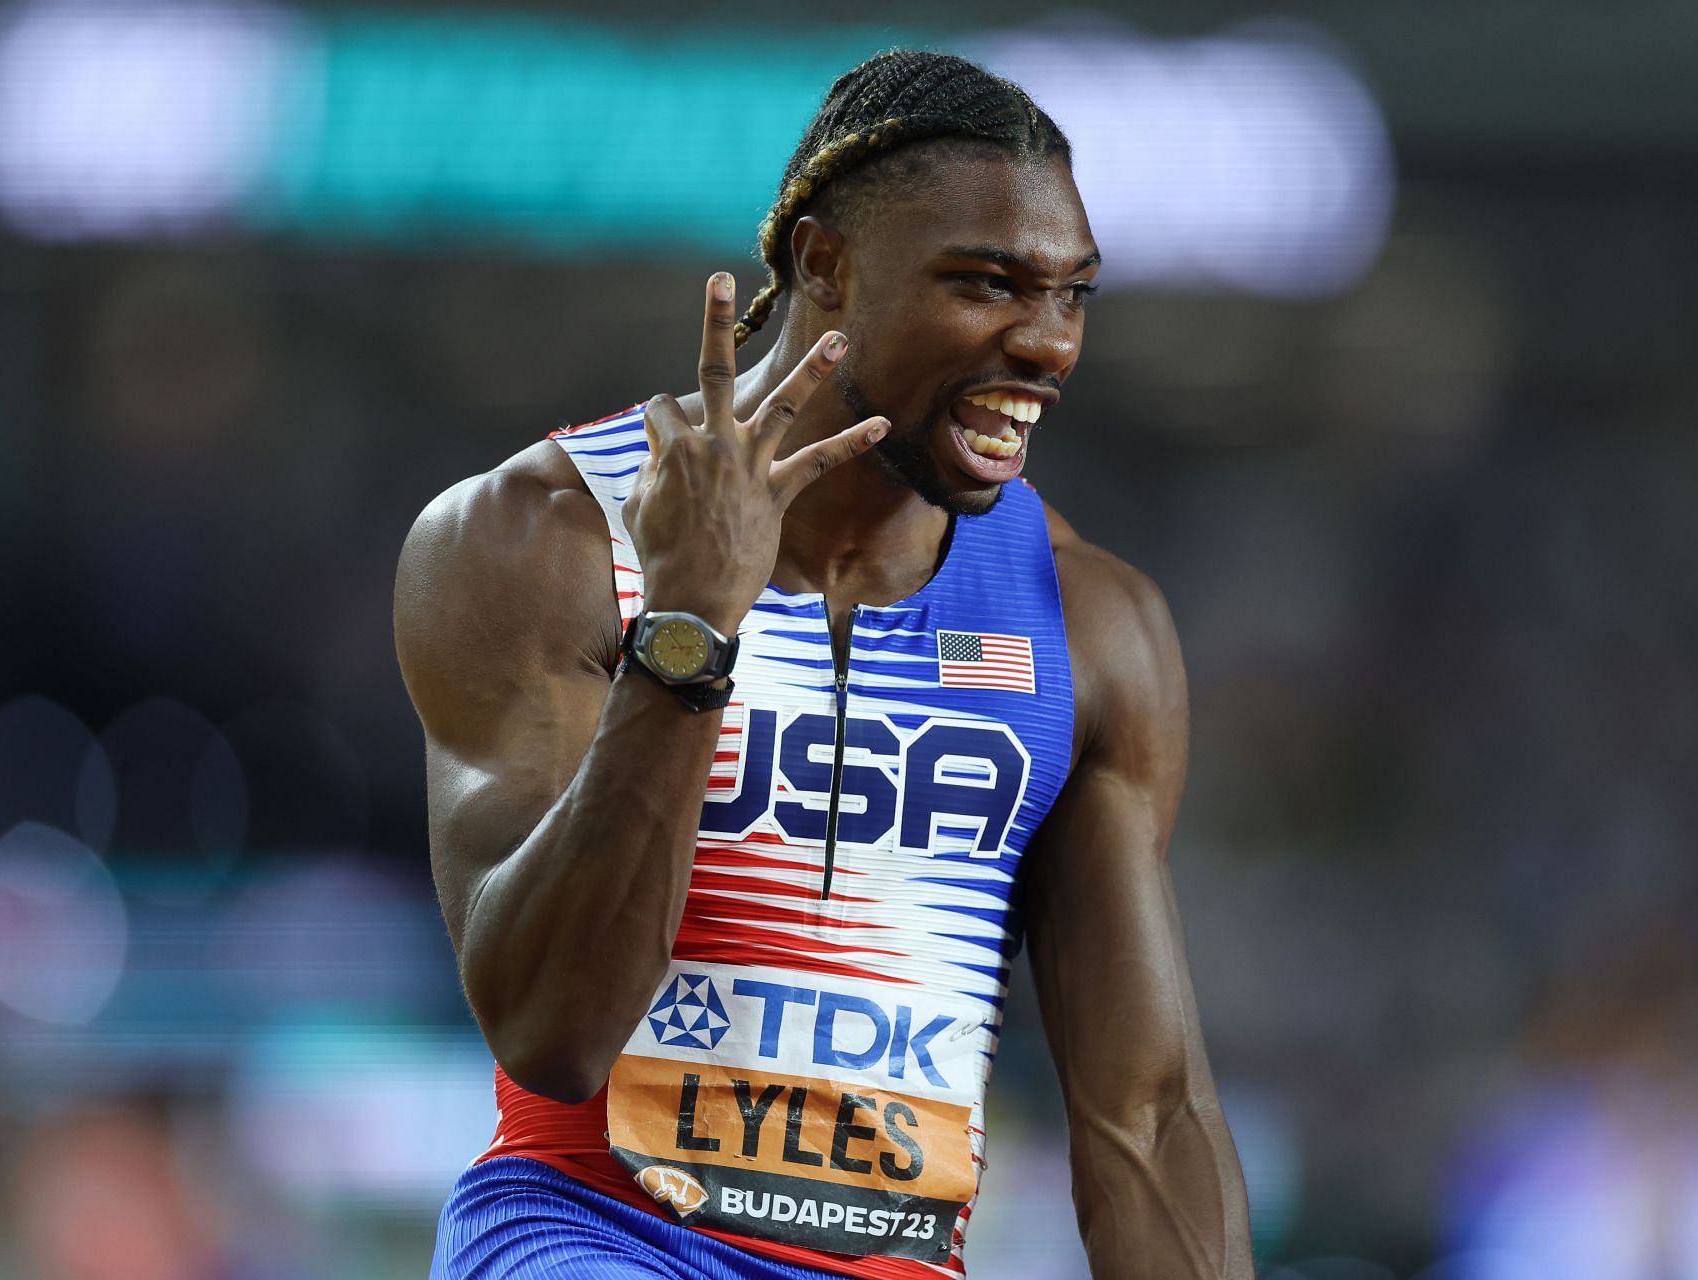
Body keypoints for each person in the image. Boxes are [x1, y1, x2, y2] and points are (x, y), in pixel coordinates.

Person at [395, 49, 1252, 1280]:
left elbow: (1148, 1119)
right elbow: (552, 1030)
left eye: (1073, 295)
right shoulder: (543, 537)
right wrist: (687, 631)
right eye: (988, 284)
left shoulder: (1092, 625)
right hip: (597, 1232)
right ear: (826, 264)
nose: (1048, 343)